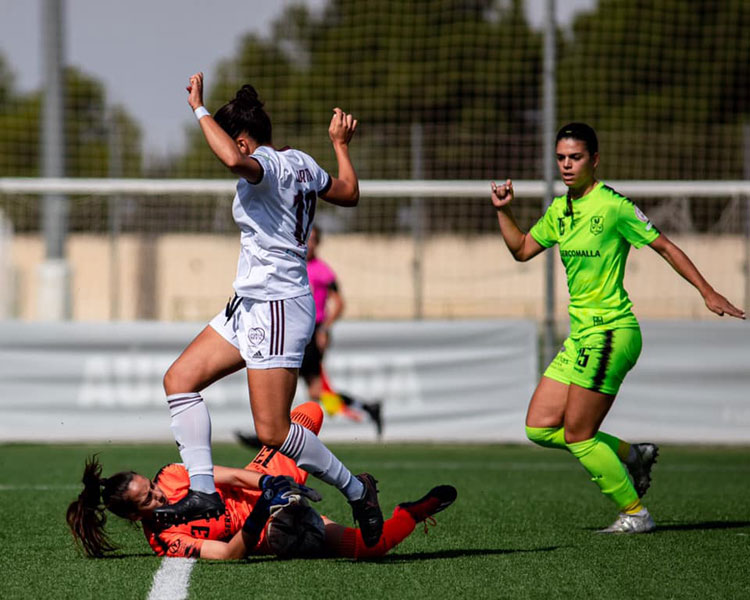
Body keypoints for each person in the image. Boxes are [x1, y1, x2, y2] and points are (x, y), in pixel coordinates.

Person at [154, 71, 383, 547]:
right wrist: (340, 144)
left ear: (243, 137)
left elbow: (235, 159)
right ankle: (202, 492)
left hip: (277, 305)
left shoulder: (268, 165)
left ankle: (358, 490)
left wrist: (197, 108)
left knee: (273, 429)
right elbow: (348, 192)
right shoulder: (300, 161)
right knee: (179, 381)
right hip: (249, 304)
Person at [491, 122, 745, 534]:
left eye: (575, 158)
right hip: (583, 336)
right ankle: (631, 455)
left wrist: (708, 291)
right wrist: (503, 211)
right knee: (538, 426)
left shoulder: (614, 206)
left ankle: (635, 513)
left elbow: (664, 245)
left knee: (577, 434)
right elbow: (521, 249)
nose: (567, 165)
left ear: (594, 159)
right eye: (561, 158)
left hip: (612, 331)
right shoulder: (561, 209)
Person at [66, 402, 457, 560]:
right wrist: (260, 517)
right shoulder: (165, 540)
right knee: (372, 549)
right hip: (272, 529)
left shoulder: (172, 474)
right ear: (136, 518)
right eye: (148, 500)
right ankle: (413, 511)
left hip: (265, 485)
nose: (159, 494)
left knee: (309, 412)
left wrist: (269, 486)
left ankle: (355, 487)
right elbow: (228, 555)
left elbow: (233, 475)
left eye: (150, 488)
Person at [236, 224, 383, 449]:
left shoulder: (323, 270)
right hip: (295, 328)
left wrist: (324, 328)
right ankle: (366, 407)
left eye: (314, 239)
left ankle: (269, 435)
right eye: (308, 237)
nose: (310, 242)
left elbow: (339, 302)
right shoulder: (293, 264)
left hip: (311, 332)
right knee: (315, 391)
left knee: (284, 378)